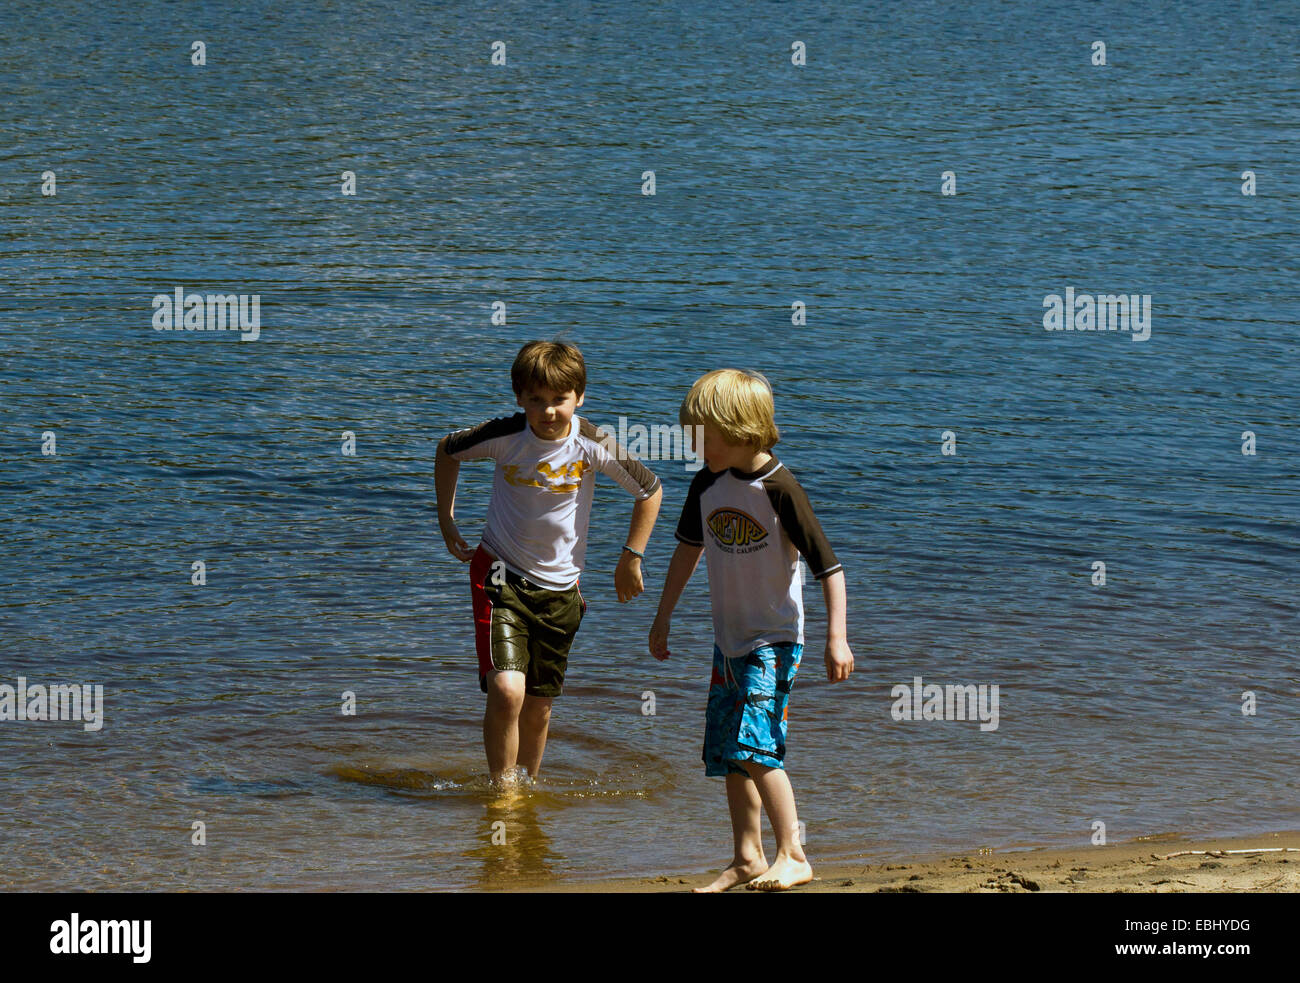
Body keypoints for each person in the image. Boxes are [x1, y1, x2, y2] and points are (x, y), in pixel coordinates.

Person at [649, 368, 853, 891]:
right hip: (729, 641)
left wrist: (837, 637)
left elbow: (829, 567)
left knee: (756, 747)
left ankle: (794, 852)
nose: (694, 444)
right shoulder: (705, 484)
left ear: (742, 430)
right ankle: (747, 856)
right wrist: (664, 614)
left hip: (776, 639)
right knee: (728, 753)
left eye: (703, 435)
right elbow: (687, 551)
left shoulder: (779, 488)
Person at [436, 340, 662, 785]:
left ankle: (528, 785)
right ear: (519, 397)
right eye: (536, 400)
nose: (548, 411)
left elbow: (649, 491)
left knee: (538, 709)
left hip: (561, 591)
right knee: (506, 689)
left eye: (559, 399)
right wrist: (447, 520)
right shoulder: (505, 436)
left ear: (579, 397)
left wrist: (631, 556)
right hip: (498, 575)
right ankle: (504, 792)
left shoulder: (592, 443)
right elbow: (447, 450)